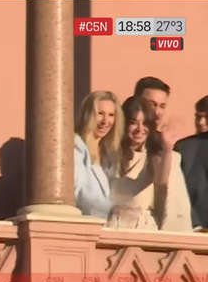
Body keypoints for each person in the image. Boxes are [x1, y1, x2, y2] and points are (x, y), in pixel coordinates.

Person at [106, 96, 192, 232]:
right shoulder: (110, 153)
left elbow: (161, 180)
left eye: (145, 123)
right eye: (134, 122)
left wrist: (168, 148)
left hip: (143, 229)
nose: (140, 129)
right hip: (112, 227)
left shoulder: (154, 155)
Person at [73, 91, 124, 218]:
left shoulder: (109, 155)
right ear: (88, 115)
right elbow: (78, 194)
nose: (105, 121)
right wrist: (113, 210)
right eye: (100, 114)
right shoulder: (76, 147)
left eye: (111, 115)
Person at [174, 95, 208, 231]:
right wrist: (197, 226)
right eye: (198, 116)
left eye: (206, 116)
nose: (200, 122)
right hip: (190, 231)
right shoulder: (184, 148)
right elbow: (177, 192)